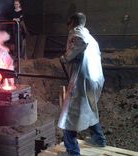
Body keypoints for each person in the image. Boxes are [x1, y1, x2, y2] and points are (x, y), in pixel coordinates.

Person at [58, 12, 106, 155]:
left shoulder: (76, 32)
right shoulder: (92, 37)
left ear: (73, 22)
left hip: (82, 80)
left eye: (69, 22)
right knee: (90, 108)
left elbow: (80, 43)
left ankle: (72, 151)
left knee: (69, 114)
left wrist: (65, 58)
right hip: (95, 79)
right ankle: (99, 139)